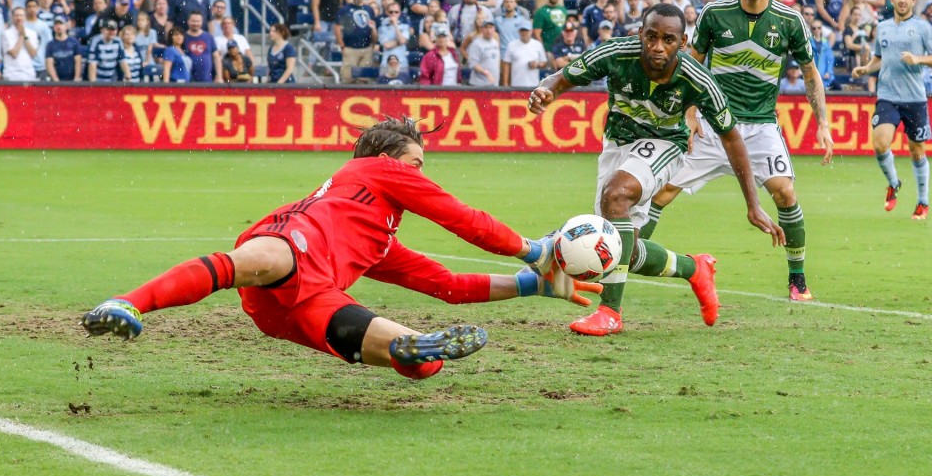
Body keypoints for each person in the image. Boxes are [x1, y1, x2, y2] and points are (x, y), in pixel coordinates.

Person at [82, 118, 599, 379]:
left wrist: (536, 285)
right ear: (383, 156)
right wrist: (534, 249)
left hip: (305, 302)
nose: (419, 173)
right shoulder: (375, 170)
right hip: (292, 245)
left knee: (421, 363)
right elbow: (463, 220)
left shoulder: (378, 241)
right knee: (266, 259)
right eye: (414, 163)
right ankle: (126, 302)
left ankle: (412, 351)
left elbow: (448, 285)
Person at [529, 3, 782, 335]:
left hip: (665, 144)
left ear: (682, 41)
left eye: (668, 39)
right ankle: (694, 268)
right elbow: (560, 78)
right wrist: (546, 91)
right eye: (651, 37)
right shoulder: (617, 53)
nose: (658, 47)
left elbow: (732, 138)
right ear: (640, 34)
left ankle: (610, 313)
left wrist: (753, 203)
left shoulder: (697, 79)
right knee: (621, 248)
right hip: (617, 143)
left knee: (616, 194)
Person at [640, 0, 834, 302]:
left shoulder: (789, 21)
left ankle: (798, 280)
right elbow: (689, 64)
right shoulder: (715, 14)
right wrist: (690, 113)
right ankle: (623, 259)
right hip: (716, 126)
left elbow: (810, 73)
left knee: (785, 193)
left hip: (761, 127)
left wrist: (822, 122)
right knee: (661, 193)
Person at [851, 0, 932, 220]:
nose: (903, 0)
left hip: (915, 98)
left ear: (913, 0)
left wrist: (917, 60)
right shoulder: (883, 26)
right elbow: (879, 57)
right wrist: (866, 69)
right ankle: (894, 182)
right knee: (879, 143)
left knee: (917, 151)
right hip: (887, 96)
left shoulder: (923, 27)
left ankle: (922, 201)